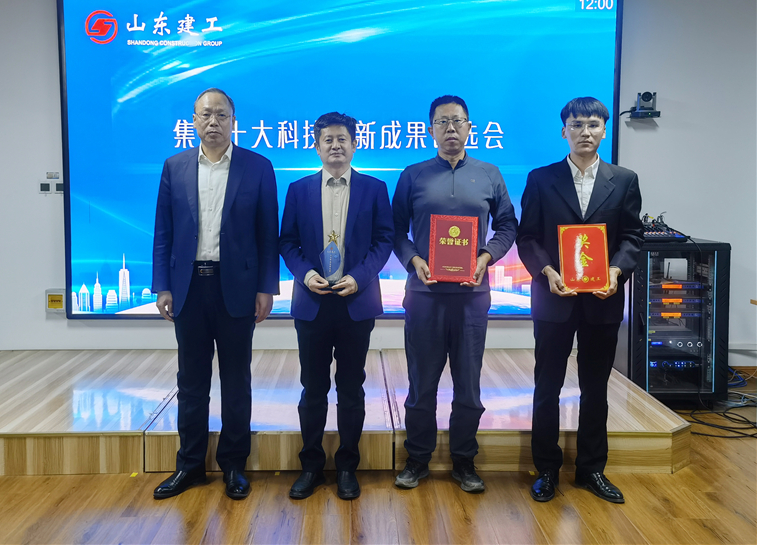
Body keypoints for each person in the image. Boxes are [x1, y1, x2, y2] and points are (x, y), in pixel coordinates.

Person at [151, 87, 279, 500]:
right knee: (191, 381)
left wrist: (266, 288)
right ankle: (189, 465)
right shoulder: (175, 166)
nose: (213, 122)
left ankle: (234, 465)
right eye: (205, 114)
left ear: (233, 121)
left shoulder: (258, 167)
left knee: (236, 381)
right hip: (189, 287)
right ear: (193, 121)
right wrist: (162, 284)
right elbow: (164, 231)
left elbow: (268, 234)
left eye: (221, 115)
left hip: (237, 287)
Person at [517, 96, 643, 504]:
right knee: (547, 387)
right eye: (577, 125)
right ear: (564, 131)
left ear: (604, 130)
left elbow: (632, 237)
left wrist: (616, 270)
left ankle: (591, 469)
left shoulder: (624, 180)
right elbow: (527, 237)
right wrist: (547, 271)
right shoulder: (541, 179)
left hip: (602, 300)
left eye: (592, 124)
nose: (585, 132)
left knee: (595, 388)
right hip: (554, 297)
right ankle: (546, 469)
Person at [392, 95, 518, 492]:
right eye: (442, 121)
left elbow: (508, 226)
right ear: (430, 129)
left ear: (469, 127)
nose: (450, 128)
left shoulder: (490, 174)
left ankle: (464, 461)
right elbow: (394, 230)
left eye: (458, 121)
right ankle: (417, 459)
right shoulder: (413, 175)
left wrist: (486, 256)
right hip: (424, 296)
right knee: (421, 386)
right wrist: (414, 260)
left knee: (468, 387)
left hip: (471, 297)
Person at [279, 112, 394, 500]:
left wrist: (359, 277)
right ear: (317, 146)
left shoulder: (374, 188)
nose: (335, 146)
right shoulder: (299, 189)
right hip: (312, 303)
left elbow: (384, 240)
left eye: (342, 139)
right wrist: (305, 274)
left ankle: (347, 466)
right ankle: (310, 466)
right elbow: (287, 242)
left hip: (355, 302)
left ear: (354, 144)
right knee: (312, 388)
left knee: (351, 387)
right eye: (327, 140)